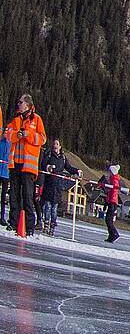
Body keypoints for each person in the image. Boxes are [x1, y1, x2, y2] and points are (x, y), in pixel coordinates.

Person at [7, 94, 47, 233]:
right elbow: (8, 134)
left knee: (27, 197)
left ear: (28, 105)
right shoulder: (16, 119)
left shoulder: (36, 120)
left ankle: (29, 226)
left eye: (20, 102)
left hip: (28, 166)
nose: (18, 104)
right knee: (14, 196)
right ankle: (13, 222)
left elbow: (42, 139)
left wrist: (28, 135)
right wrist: (16, 135)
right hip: (15, 164)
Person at [36, 140, 76, 234]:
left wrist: (77, 171)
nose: (55, 145)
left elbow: (69, 168)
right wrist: (48, 167)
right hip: (49, 184)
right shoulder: (49, 155)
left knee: (54, 208)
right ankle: (46, 224)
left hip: (58, 186)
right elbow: (43, 164)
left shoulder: (63, 158)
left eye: (57, 144)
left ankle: (52, 225)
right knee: (47, 206)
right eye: (54, 144)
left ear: (60, 146)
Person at [101, 165, 123, 243]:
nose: (109, 173)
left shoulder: (114, 180)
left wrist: (110, 200)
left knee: (108, 220)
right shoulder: (113, 179)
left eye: (110, 171)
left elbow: (113, 191)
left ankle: (114, 234)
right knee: (108, 219)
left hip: (112, 202)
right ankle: (111, 235)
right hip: (112, 201)